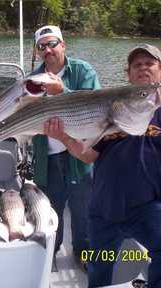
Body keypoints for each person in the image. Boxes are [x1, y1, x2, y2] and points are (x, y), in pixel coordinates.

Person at [43, 43, 161, 287]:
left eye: (149, 63)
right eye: (136, 65)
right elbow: (87, 156)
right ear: (128, 74)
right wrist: (64, 137)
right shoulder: (112, 109)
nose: (143, 68)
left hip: (149, 206)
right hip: (104, 209)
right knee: (98, 266)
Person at [29, 25, 101, 271]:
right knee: (50, 211)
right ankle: (49, 253)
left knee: (83, 211)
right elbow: (15, 110)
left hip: (79, 156)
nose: (48, 50)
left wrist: (63, 92)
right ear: (38, 52)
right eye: (42, 46)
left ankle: (83, 254)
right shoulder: (32, 81)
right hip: (46, 158)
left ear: (63, 45)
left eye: (52, 44)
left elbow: (95, 108)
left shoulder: (83, 71)